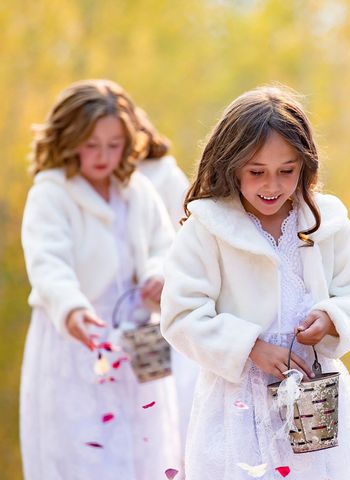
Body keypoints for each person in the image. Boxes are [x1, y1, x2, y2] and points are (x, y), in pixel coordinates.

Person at [160, 85, 350, 480]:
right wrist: (250, 347)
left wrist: (331, 318)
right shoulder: (208, 228)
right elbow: (181, 314)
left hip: (314, 399)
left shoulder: (326, 222)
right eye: (256, 172)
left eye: (286, 171)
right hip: (236, 403)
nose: (272, 186)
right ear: (231, 165)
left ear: (304, 166)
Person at [20, 79, 181, 480]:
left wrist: (158, 276)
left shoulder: (137, 189)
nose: (103, 156)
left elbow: (165, 245)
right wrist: (71, 309)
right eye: (92, 144)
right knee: (83, 450)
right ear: (70, 138)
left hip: (139, 336)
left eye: (113, 145)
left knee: (146, 445)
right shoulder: (51, 193)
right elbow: (47, 262)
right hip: (77, 335)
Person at [135, 105, 199, 455]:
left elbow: (184, 241)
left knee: (170, 408)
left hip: (163, 311)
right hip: (121, 314)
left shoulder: (164, 177)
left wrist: (162, 276)